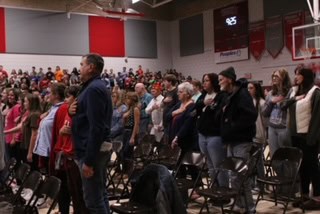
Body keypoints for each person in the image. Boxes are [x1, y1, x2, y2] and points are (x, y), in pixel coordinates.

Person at [69, 53, 112, 213]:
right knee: (100, 194)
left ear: (91, 67)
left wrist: (89, 160)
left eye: (82, 65)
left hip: (91, 150)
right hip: (92, 148)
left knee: (93, 201)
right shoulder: (90, 87)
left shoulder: (94, 89)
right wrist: (71, 111)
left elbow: (96, 127)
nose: (79, 68)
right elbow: (83, 114)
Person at [218, 67, 257, 213]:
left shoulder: (242, 94)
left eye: (221, 79)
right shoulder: (229, 95)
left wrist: (231, 125)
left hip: (242, 140)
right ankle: (239, 204)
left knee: (241, 175)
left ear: (229, 79)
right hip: (231, 140)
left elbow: (250, 115)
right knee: (233, 175)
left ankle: (250, 208)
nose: (219, 82)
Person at [281, 67, 320, 209]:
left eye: (298, 74)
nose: (296, 76)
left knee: (313, 166)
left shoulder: (315, 92)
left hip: (308, 136)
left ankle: (317, 197)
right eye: (295, 74)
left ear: (305, 76)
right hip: (295, 135)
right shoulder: (293, 91)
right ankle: (304, 195)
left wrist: (312, 137)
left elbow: (317, 118)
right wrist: (295, 98)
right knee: (302, 166)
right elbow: (282, 105)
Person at [196, 73, 227, 183]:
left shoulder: (221, 95)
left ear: (213, 82)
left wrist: (208, 108)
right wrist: (203, 103)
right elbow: (195, 109)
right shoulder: (202, 96)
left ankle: (223, 192)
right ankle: (214, 189)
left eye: (207, 81)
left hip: (215, 134)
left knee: (218, 164)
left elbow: (217, 114)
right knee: (209, 164)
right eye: (203, 80)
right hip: (202, 134)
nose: (204, 83)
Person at [33, 83, 65, 173]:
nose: (47, 95)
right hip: (45, 151)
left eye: (50, 93)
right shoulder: (52, 108)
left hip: (52, 152)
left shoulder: (61, 109)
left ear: (56, 95)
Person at [262, 69, 292, 157]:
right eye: (273, 76)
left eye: (277, 76)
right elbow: (264, 113)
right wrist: (271, 102)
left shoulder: (290, 92)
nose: (274, 78)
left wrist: (283, 101)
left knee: (286, 156)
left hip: (284, 128)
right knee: (275, 156)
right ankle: (278, 171)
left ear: (284, 78)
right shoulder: (271, 93)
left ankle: (287, 171)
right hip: (272, 128)